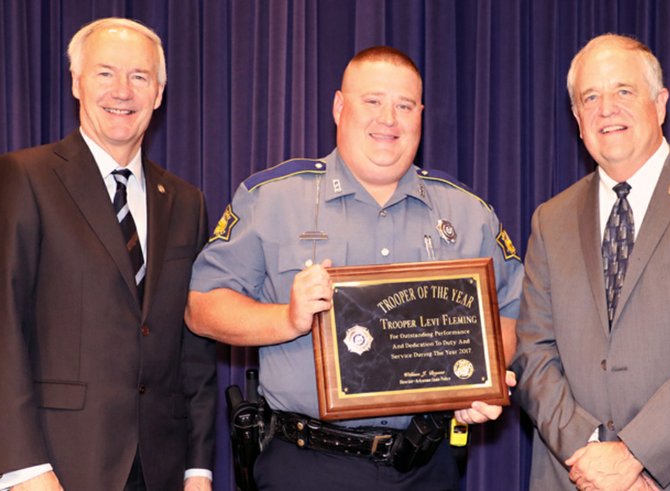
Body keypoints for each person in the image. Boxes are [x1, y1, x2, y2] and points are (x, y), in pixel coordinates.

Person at [185, 46, 523, 490]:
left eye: (404, 106)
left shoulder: (468, 213)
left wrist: (479, 383)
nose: (389, 120)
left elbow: (506, 320)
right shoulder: (272, 199)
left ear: (421, 114)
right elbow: (202, 308)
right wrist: (286, 318)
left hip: (426, 466)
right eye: (373, 101)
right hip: (307, 466)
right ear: (340, 107)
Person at [511, 33, 670, 490]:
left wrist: (634, 453)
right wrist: (591, 452)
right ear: (577, 118)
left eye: (623, 91)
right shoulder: (549, 220)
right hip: (578, 475)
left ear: (661, 102)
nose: (606, 108)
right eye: (590, 97)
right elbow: (533, 353)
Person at [0, 18, 216, 490]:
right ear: (77, 83)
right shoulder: (24, 177)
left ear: (159, 92)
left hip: (161, 471)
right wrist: (24, 468)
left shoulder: (186, 201)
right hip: (52, 467)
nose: (122, 91)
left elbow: (195, 352)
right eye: (106, 73)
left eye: (140, 77)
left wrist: (199, 469)